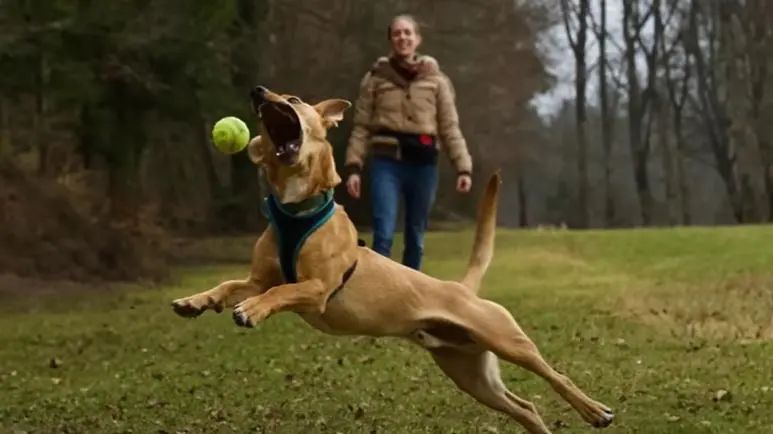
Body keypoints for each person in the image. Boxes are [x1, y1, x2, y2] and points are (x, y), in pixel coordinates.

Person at [344, 14, 473, 271]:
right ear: (391, 40)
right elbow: (361, 126)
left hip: (423, 165)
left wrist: (463, 167)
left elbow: (449, 127)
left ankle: (411, 297)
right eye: (397, 33)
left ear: (417, 39)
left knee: (416, 235)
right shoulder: (375, 78)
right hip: (386, 163)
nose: (403, 38)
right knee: (383, 232)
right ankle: (377, 293)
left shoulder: (437, 80)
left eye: (408, 33)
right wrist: (353, 167)